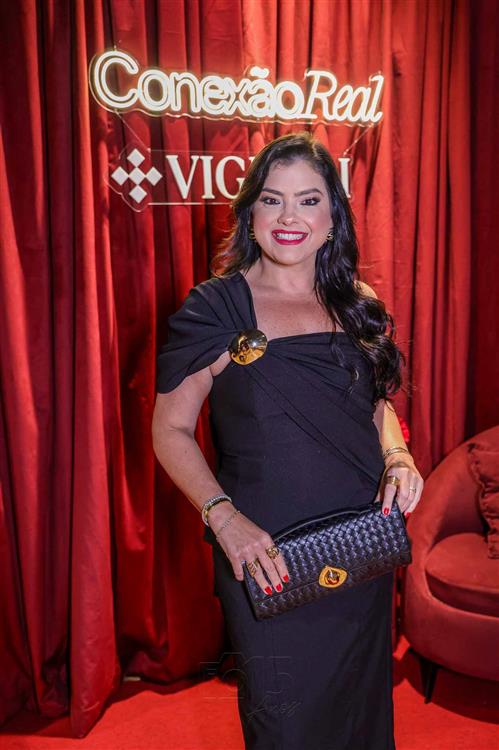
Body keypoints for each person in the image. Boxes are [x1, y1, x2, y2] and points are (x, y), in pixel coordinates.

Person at [152, 132, 424, 750]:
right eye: (272, 200)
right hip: (266, 554)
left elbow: (374, 403)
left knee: (359, 716)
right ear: (250, 212)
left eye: (308, 200)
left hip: (359, 543)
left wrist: (398, 454)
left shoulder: (357, 302)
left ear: (333, 218)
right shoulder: (216, 308)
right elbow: (169, 430)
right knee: (285, 724)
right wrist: (224, 520)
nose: (289, 217)